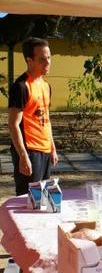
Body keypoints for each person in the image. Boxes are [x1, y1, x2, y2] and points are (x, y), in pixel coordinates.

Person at [8, 37, 58, 196]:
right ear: (29, 61)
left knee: (44, 199)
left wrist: (52, 147)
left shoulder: (46, 86)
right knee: (28, 200)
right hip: (29, 151)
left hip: (45, 151)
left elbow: (46, 118)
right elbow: (13, 124)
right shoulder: (21, 86)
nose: (48, 62)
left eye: (49, 57)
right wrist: (23, 156)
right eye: (42, 59)